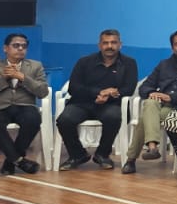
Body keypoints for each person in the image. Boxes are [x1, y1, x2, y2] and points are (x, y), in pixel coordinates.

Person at [57, 29, 138, 170]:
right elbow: (73, 87)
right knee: (64, 120)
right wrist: (98, 93)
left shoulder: (129, 63)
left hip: (112, 104)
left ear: (120, 44)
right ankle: (77, 154)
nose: (109, 46)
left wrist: (110, 94)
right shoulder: (84, 62)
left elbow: (129, 88)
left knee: (113, 117)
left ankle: (102, 154)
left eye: (113, 42)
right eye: (105, 43)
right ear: (99, 45)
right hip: (83, 103)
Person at [0, 33, 50, 175]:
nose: (20, 49)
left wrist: (23, 78)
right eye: (16, 45)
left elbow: (43, 92)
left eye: (24, 46)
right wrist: (3, 79)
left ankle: (11, 161)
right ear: (5, 48)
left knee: (33, 119)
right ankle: (19, 160)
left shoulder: (35, 66)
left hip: (25, 106)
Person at [124, 31, 177, 174]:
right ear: (172, 47)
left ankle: (132, 159)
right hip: (159, 105)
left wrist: (170, 97)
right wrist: (152, 93)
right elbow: (144, 87)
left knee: (144, 120)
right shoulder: (164, 65)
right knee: (150, 102)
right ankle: (152, 147)